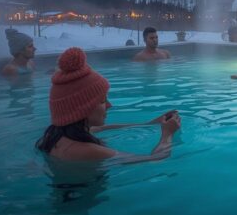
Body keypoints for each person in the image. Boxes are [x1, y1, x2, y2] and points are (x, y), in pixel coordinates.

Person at [36, 47, 181, 161]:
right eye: (102, 101)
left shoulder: (59, 136)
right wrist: (167, 135)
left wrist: (149, 123)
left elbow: (103, 128)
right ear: (82, 108)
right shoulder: (88, 150)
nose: (109, 105)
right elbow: (154, 160)